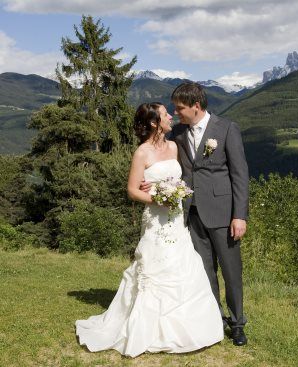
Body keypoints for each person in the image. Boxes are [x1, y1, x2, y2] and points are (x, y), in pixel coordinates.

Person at [75, 102, 223, 358]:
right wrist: (156, 199)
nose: (171, 117)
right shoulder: (142, 153)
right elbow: (132, 190)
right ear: (154, 123)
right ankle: (149, 328)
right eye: (165, 114)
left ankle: (190, 328)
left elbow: (183, 178)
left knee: (183, 264)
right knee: (156, 265)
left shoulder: (175, 146)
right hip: (156, 218)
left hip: (177, 218)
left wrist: (177, 194)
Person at [166, 82, 249, 346]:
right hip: (192, 213)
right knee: (204, 271)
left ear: (196, 107)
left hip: (224, 215)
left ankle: (237, 324)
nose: (176, 112)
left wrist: (240, 216)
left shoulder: (226, 129)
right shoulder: (178, 132)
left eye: (179, 108)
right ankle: (215, 318)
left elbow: (240, 175)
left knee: (231, 272)